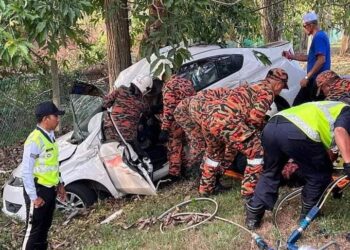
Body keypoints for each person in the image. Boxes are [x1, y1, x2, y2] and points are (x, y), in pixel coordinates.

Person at [245, 101, 350, 230]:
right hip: (297, 132)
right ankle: (309, 216)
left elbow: (329, 152)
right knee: (318, 175)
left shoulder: (325, 107)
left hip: (271, 128)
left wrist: (332, 181)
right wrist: (348, 163)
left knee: (271, 172)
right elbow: (340, 131)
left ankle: (253, 217)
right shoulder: (346, 111)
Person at [191, 68, 289, 197]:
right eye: (282, 87)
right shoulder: (267, 92)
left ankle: (205, 189)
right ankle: (249, 193)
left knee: (213, 155)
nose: (280, 91)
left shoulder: (252, 86)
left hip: (208, 119)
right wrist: (259, 131)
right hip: (226, 120)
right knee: (256, 153)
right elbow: (255, 118)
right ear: (279, 83)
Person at [22, 101, 66, 250]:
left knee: (44, 229)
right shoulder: (34, 140)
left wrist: (60, 183)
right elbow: (26, 171)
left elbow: (52, 164)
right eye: (56, 116)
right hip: (38, 191)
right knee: (33, 232)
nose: (58, 119)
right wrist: (34, 197)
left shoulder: (51, 136)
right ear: (46, 118)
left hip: (50, 190)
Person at [283, 11, 330, 105]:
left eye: (304, 26)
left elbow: (321, 60)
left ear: (311, 25)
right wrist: (291, 56)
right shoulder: (318, 37)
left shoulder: (319, 37)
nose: (304, 29)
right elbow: (311, 58)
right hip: (315, 79)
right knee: (309, 105)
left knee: (299, 104)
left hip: (317, 80)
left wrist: (306, 77)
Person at [102, 75, 153, 158]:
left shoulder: (121, 89)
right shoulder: (143, 103)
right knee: (139, 155)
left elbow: (105, 104)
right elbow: (149, 113)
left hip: (110, 131)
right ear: (145, 89)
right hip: (128, 137)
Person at [159, 75, 196, 179]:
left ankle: (174, 174)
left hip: (176, 122)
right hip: (189, 118)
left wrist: (164, 128)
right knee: (187, 146)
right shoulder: (187, 81)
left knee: (175, 147)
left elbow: (169, 109)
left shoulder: (169, 86)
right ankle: (189, 169)